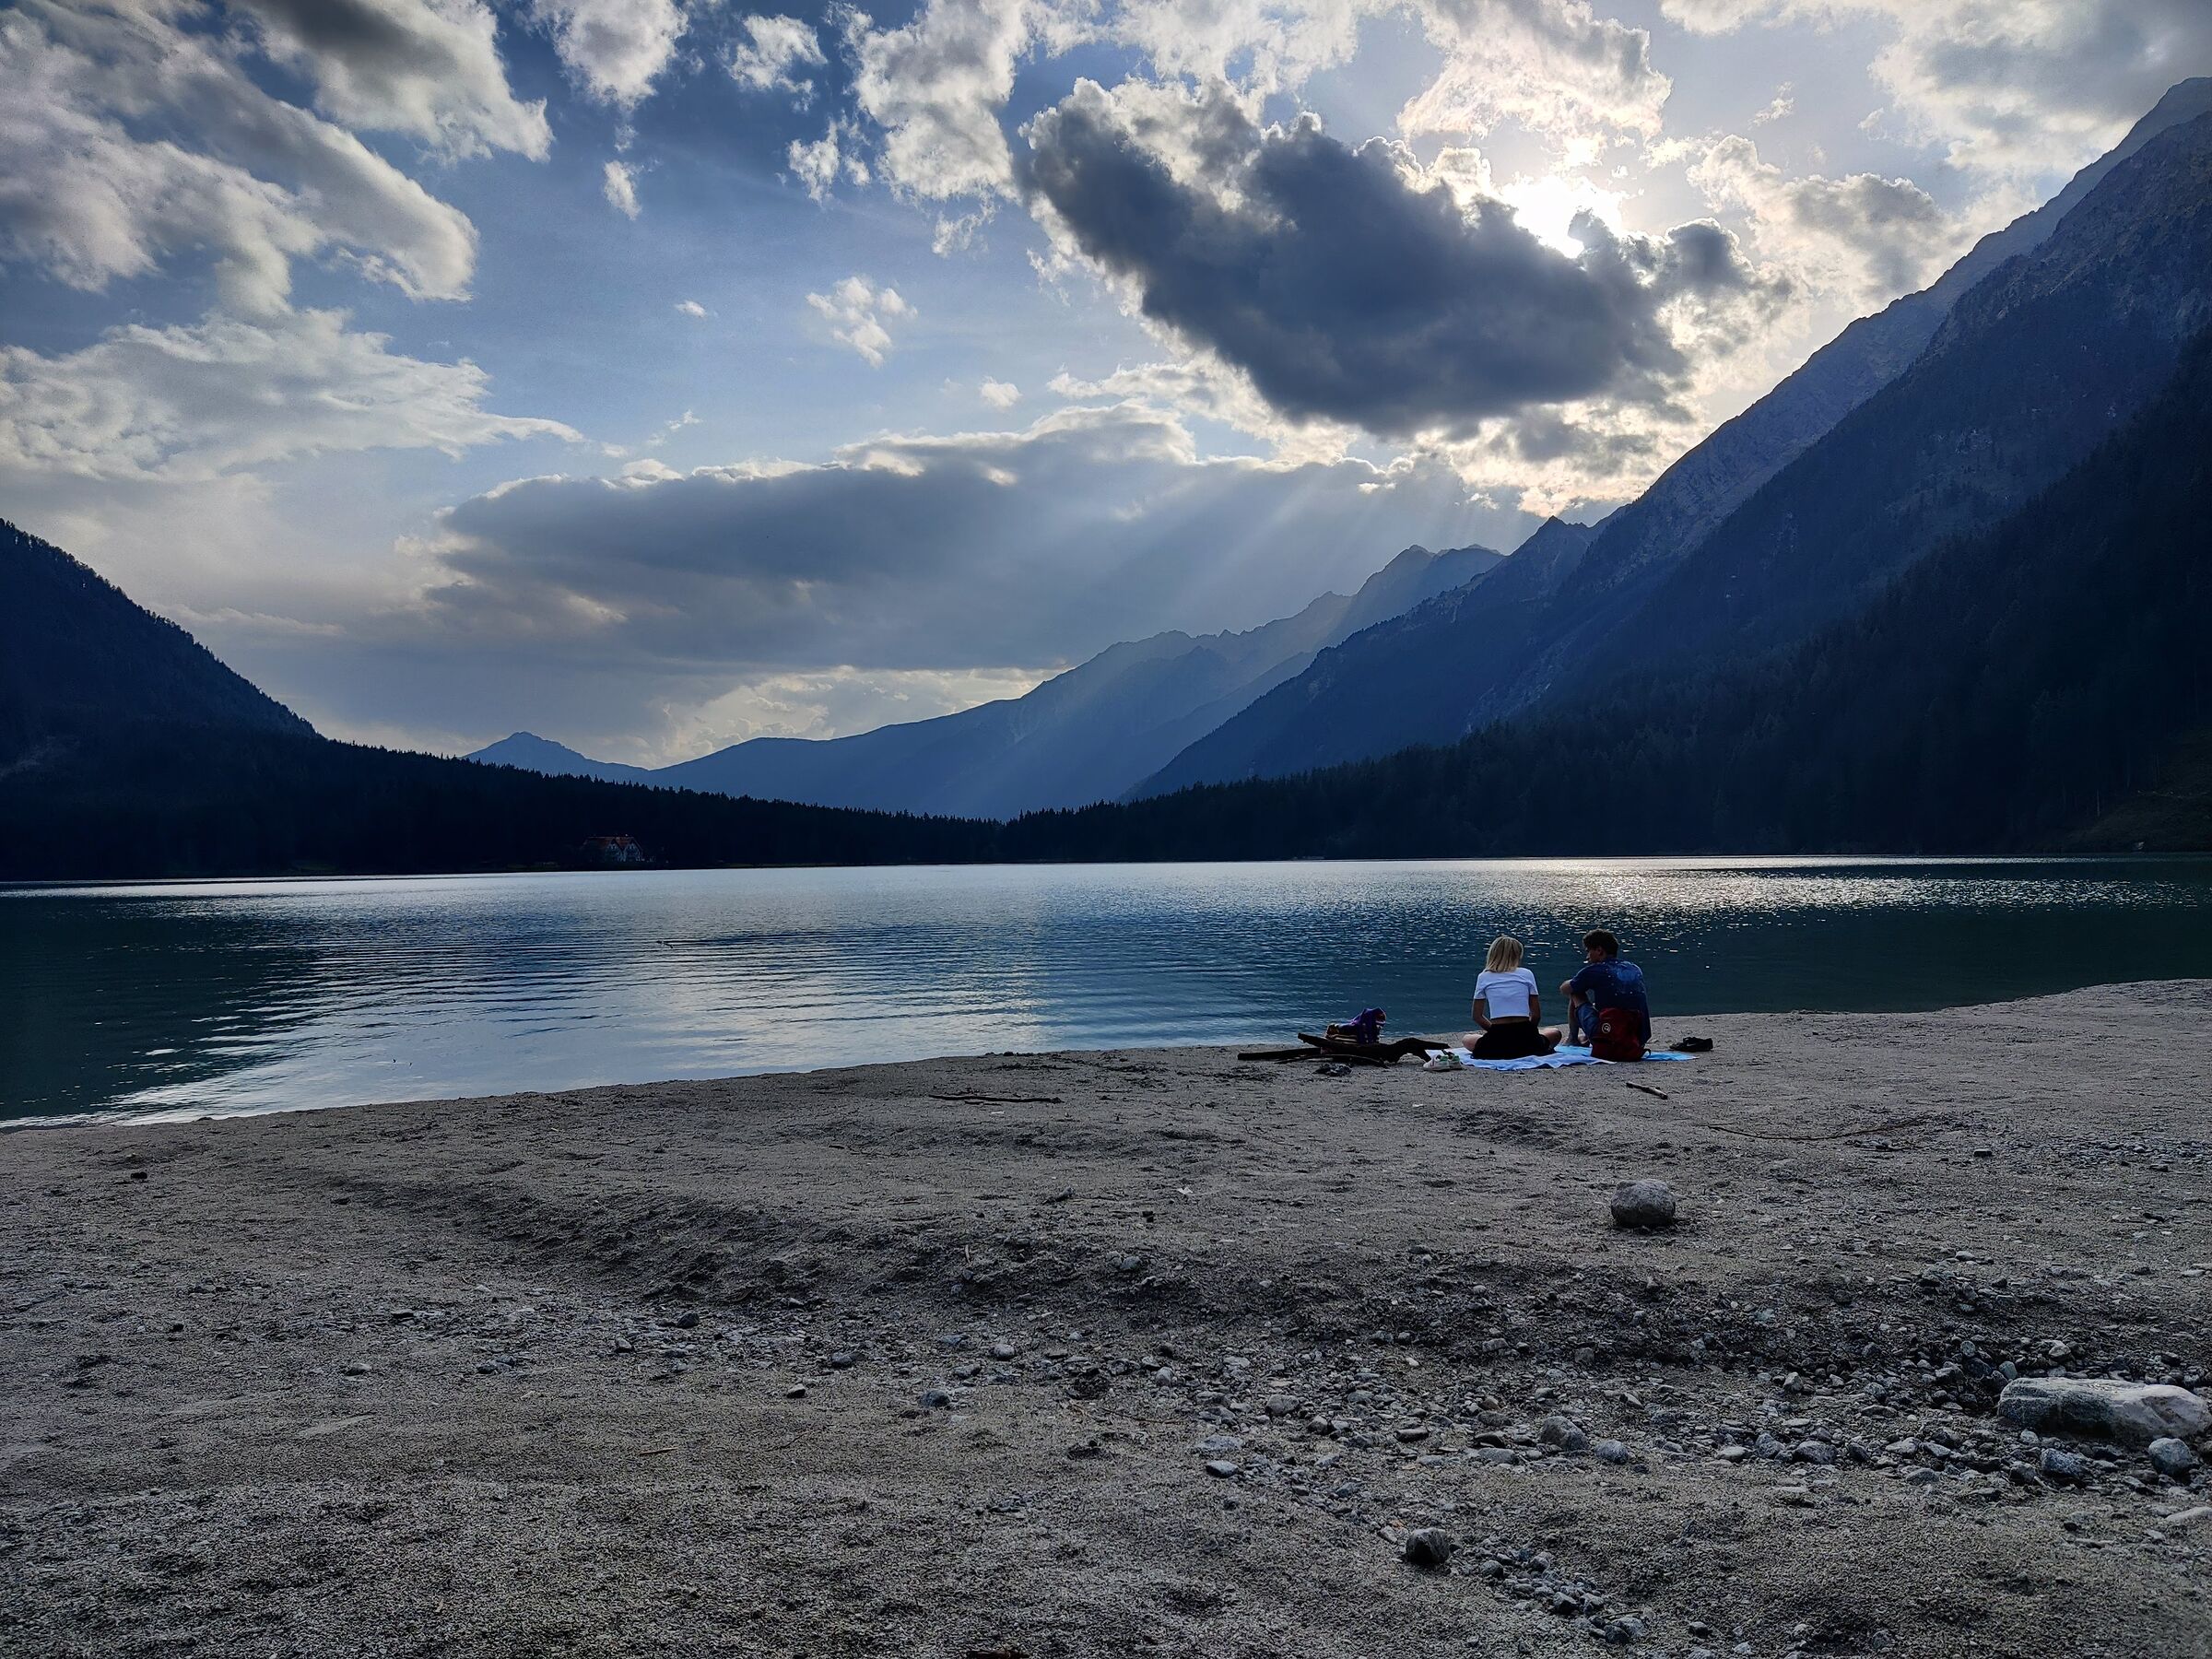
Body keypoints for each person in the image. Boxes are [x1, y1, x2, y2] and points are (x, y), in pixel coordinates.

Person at [1469, 934, 1562, 1058]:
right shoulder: (1527, 974)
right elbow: (1536, 1015)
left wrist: (1495, 1032)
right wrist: (1529, 1033)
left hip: (1498, 1033)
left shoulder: (1484, 977)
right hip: (1526, 1035)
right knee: (1555, 1033)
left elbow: (1477, 1016)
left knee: (1467, 1039)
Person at [1561, 928, 1651, 1055]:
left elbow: (1565, 989)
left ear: (1599, 950)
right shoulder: (1634, 968)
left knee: (1576, 992)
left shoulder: (1595, 970)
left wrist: (1575, 981)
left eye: (1588, 952)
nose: (1587, 957)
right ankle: (1589, 1037)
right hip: (1638, 1037)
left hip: (1610, 1036)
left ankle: (1573, 1039)